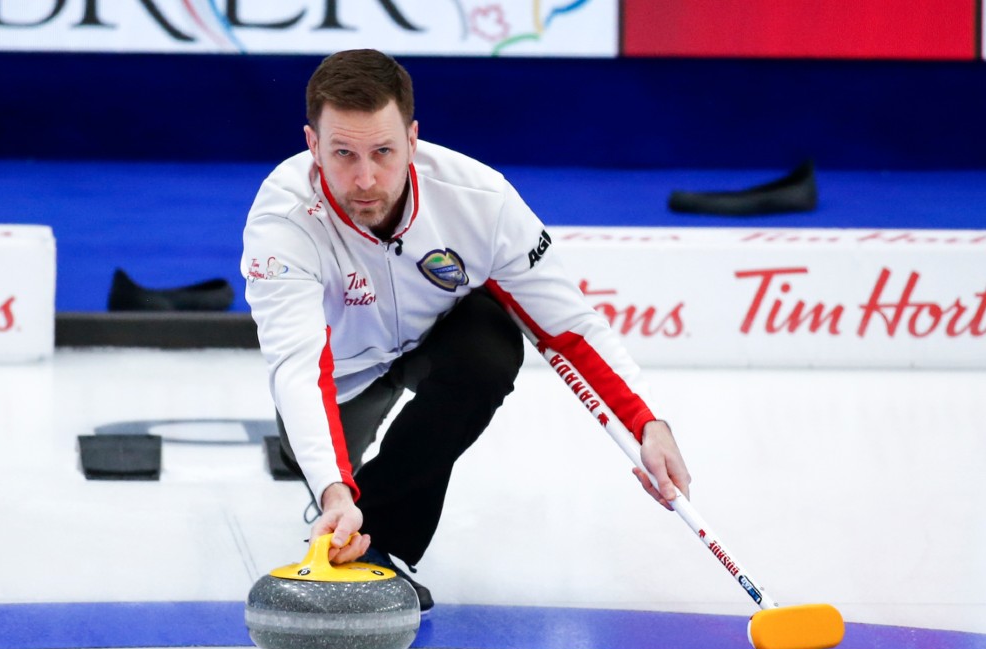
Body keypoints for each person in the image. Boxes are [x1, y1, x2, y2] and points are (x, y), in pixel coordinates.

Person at [241, 49, 691, 613]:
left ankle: (386, 546)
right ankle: (348, 500)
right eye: (342, 154)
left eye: (383, 152)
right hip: (343, 372)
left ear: (413, 138)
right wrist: (335, 490)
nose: (364, 178)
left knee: (488, 348)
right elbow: (299, 368)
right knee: (316, 463)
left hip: (437, 336)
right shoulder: (282, 223)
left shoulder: (480, 199)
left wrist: (645, 423)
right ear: (312, 145)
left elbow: (568, 327)